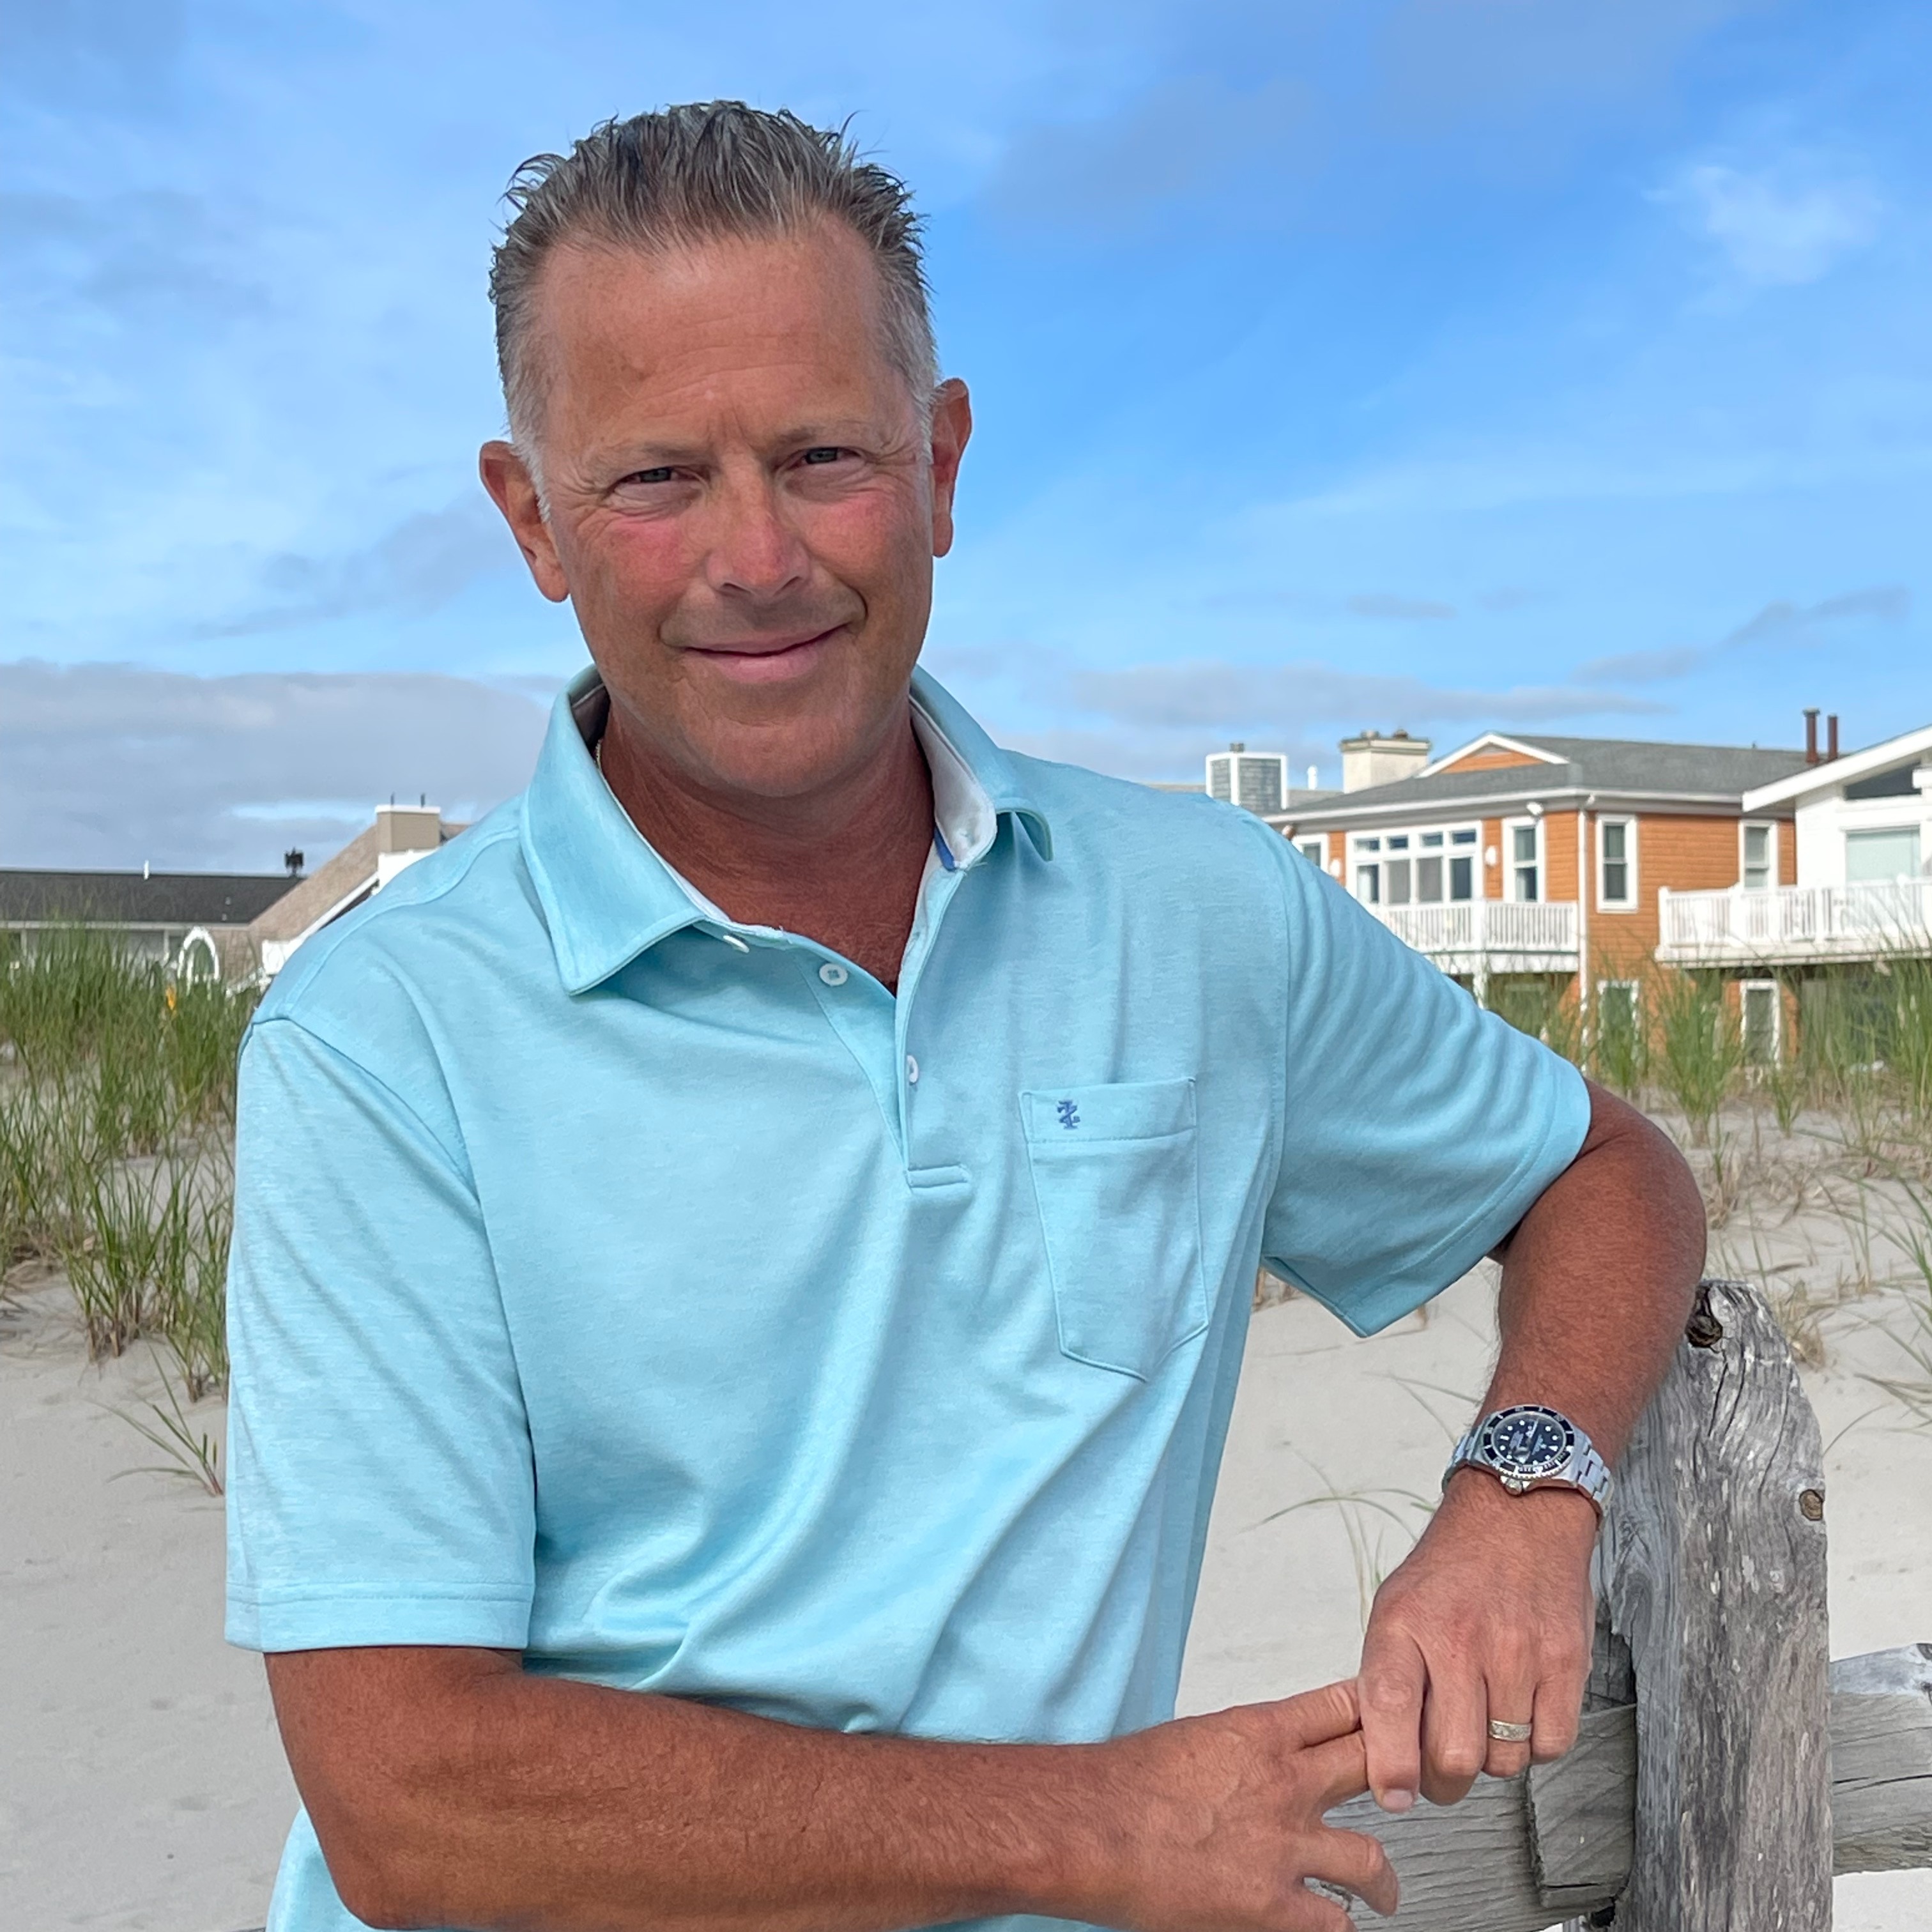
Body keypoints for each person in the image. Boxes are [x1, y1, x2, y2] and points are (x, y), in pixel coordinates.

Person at [226, 102, 1705, 1932]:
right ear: (533, 518)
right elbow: (411, 1803)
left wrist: (1525, 1493)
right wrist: (1090, 1829)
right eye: (657, 478)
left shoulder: (1197, 913)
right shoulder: (383, 1037)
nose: (755, 556)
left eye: (825, 455)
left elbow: (1602, 1171)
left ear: (941, 463)